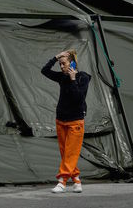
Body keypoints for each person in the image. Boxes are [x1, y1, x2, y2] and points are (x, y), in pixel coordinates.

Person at [41, 49, 91, 193]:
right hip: (61, 120)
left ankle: (62, 181)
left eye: (64, 64)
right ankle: (76, 180)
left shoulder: (83, 78)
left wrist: (73, 79)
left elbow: (79, 99)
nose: (62, 67)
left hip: (76, 121)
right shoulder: (61, 77)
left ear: (73, 64)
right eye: (60, 64)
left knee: (71, 153)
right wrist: (56, 57)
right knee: (66, 153)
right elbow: (44, 70)